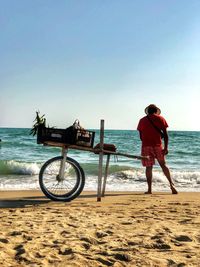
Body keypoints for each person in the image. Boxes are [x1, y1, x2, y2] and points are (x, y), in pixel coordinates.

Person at [137, 104, 178, 194]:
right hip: (158, 145)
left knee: (149, 167)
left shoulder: (142, 120)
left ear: (148, 111)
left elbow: (141, 137)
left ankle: (149, 190)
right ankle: (172, 185)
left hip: (146, 146)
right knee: (163, 165)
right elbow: (166, 135)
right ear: (156, 111)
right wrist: (166, 147)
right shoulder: (161, 119)